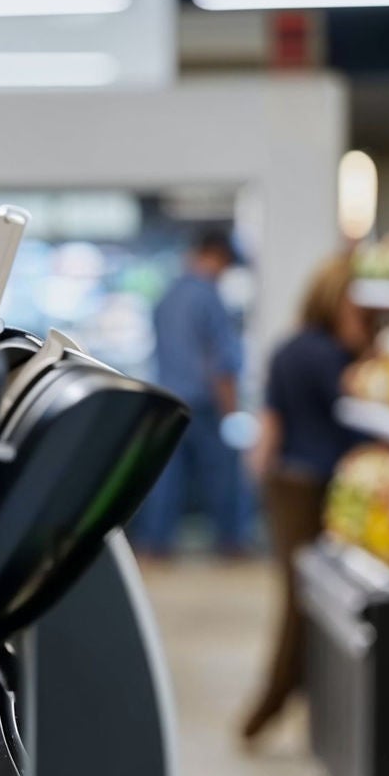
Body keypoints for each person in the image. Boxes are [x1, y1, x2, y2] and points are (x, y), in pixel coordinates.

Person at [240, 253, 371, 742]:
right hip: (319, 489)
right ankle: (272, 703)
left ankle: (292, 702)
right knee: (307, 601)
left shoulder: (287, 348)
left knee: (299, 594)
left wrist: (259, 482)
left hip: (284, 484)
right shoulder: (334, 357)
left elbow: (269, 425)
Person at [136, 228, 250, 557]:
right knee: (222, 474)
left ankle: (155, 544)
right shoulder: (209, 296)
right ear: (217, 257)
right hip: (203, 403)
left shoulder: (167, 295)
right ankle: (231, 542)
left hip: (167, 400)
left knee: (166, 477)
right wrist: (232, 412)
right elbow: (221, 362)